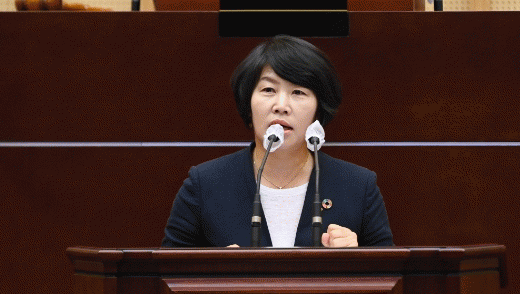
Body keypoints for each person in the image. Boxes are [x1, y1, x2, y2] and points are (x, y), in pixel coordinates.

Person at [162, 35, 393, 248]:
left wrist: (356, 258)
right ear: (248, 102)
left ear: (318, 110)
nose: (281, 106)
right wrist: (216, 269)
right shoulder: (204, 184)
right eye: (269, 89)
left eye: (298, 92)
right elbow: (169, 271)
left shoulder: (358, 186)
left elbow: (388, 273)